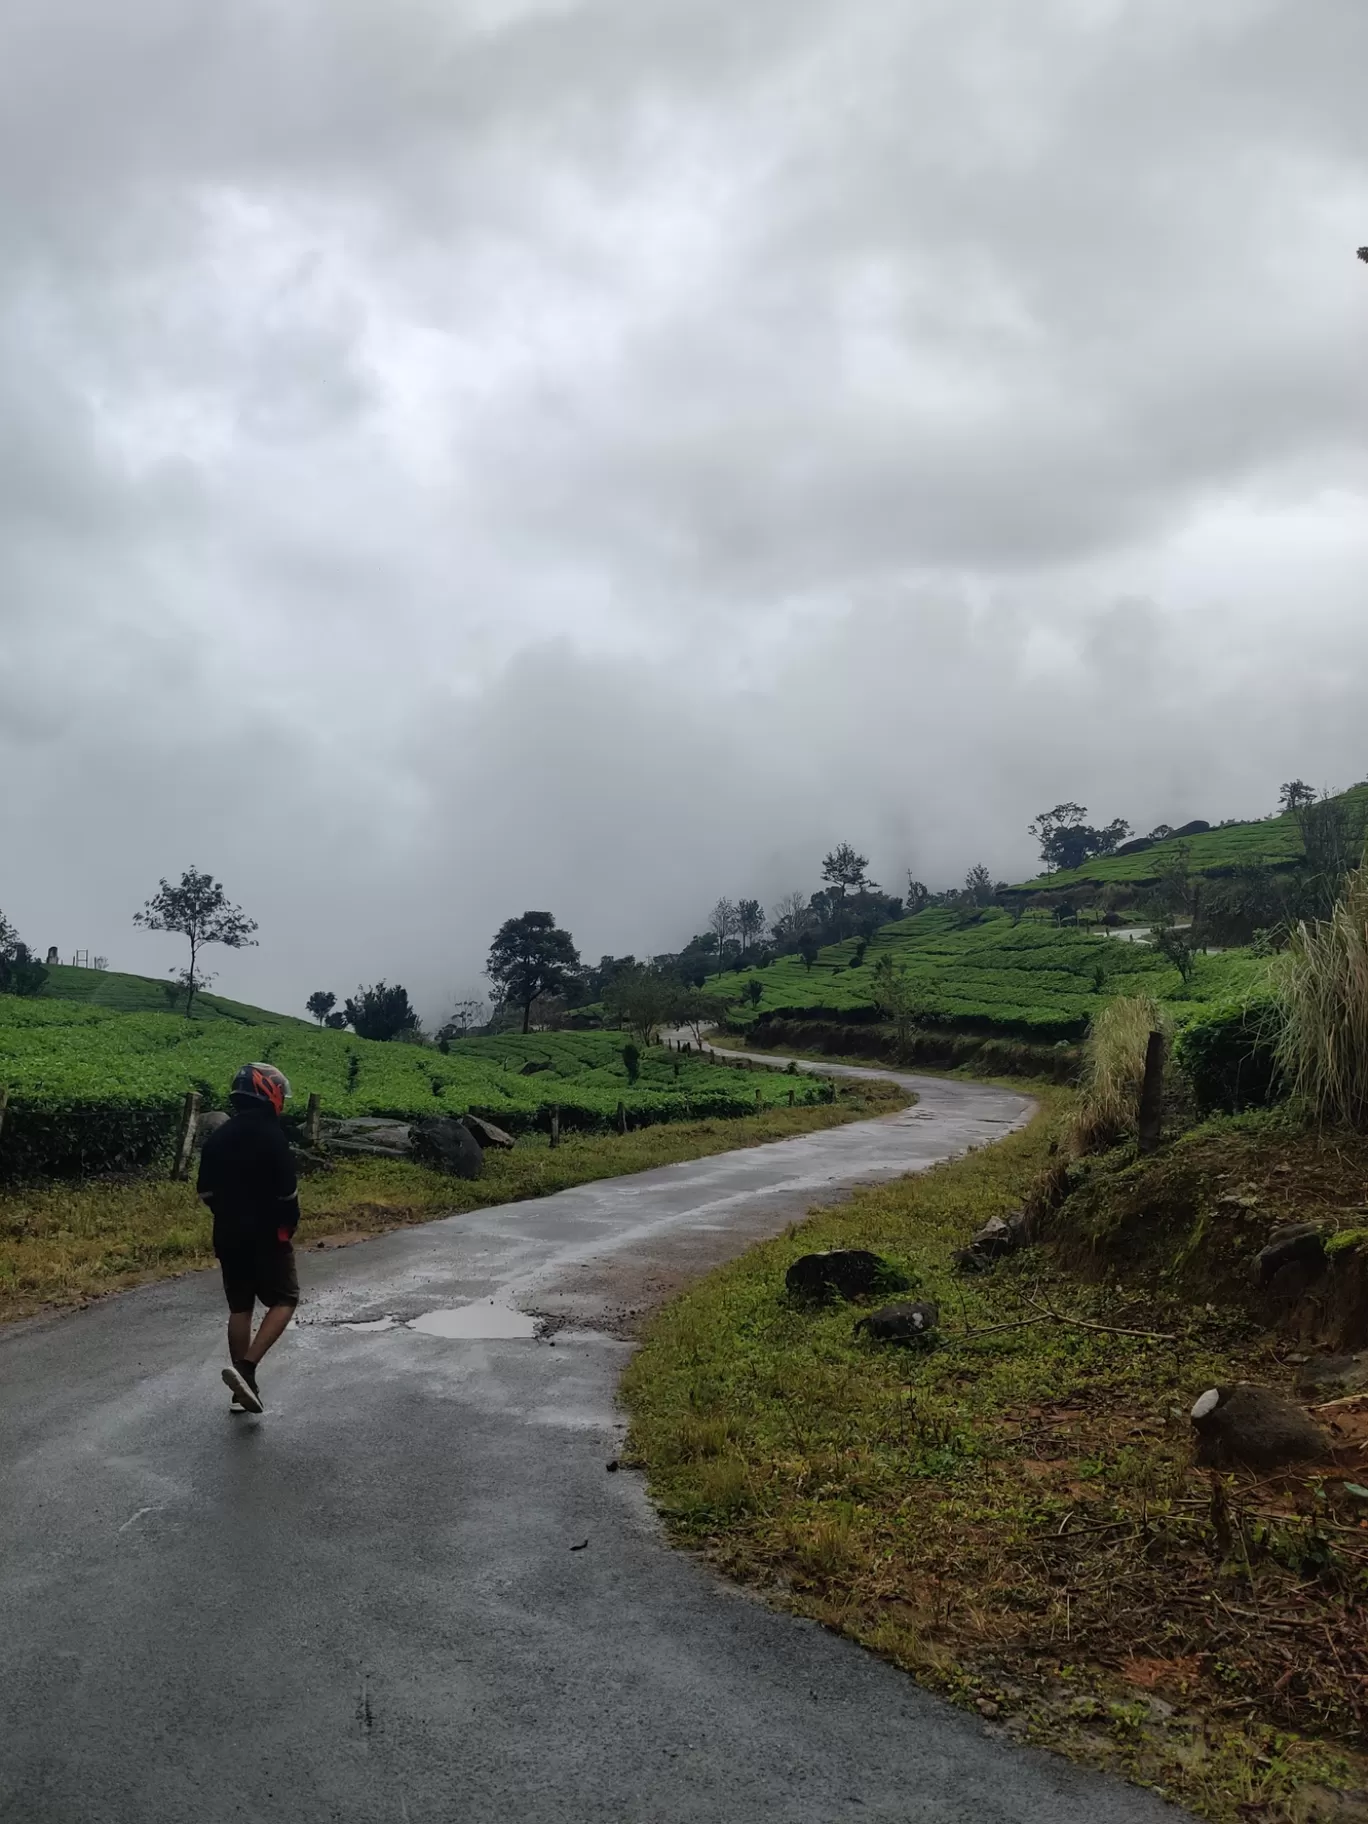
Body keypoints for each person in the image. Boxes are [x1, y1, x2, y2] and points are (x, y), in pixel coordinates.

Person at [197, 1062, 301, 1414]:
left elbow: (205, 1192)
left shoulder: (219, 1136)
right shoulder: (272, 1135)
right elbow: (287, 1194)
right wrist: (287, 1225)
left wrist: (228, 1214)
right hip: (268, 1235)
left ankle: (244, 1390)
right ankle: (247, 1368)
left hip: (227, 1234)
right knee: (286, 1298)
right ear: (268, 1092)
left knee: (240, 1307)